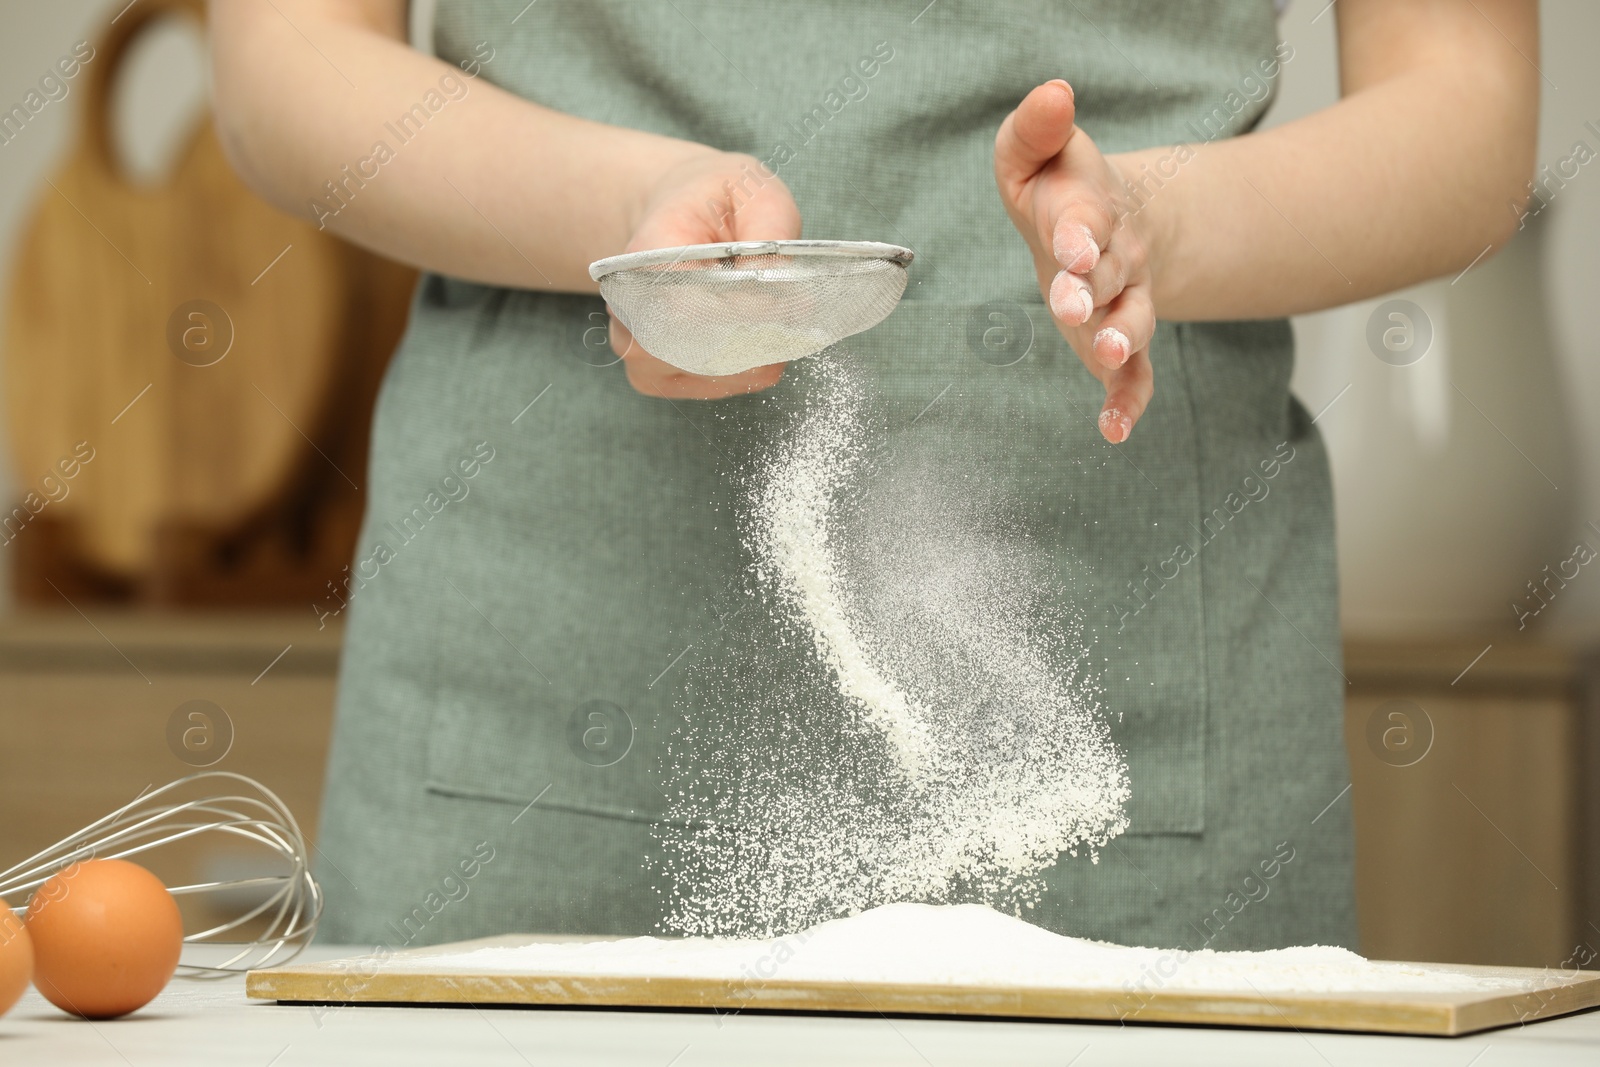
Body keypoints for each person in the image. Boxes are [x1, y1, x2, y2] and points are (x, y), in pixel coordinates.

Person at [210, 0, 1538, 949]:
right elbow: (286, 57)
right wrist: (623, 213)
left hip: (1138, 695)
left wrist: (1166, 226)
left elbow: (1466, 113)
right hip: (537, 656)